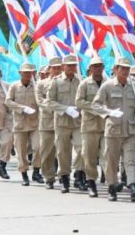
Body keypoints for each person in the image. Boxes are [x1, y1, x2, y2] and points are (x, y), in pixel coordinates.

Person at [92, 57, 135, 202]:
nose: (125, 71)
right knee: (111, 160)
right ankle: (112, 186)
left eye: (127, 68)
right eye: (122, 68)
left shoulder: (134, 87)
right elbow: (95, 105)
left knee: (130, 160)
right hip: (113, 130)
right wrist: (108, 112)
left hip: (130, 130)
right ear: (115, 69)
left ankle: (134, 186)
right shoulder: (107, 86)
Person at [47, 55, 83, 193]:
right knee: (63, 152)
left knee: (82, 149)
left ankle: (79, 174)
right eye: (69, 65)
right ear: (63, 67)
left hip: (77, 122)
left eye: (74, 65)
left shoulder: (79, 81)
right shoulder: (55, 82)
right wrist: (65, 109)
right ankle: (65, 178)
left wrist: (78, 110)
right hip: (62, 122)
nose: (72, 68)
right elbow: (49, 102)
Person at [6, 63, 43, 186]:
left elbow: (41, 101)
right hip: (20, 123)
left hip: (34, 122)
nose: (27, 74)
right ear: (20, 73)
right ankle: (24, 173)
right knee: (21, 151)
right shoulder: (14, 86)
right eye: (25, 72)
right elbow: (8, 101)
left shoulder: (37, 86)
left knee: (38, 147)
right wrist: (21, 108)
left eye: (30, 72)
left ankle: (36, 171)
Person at [75, 56, 107, 198]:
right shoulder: (84, 84)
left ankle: (111, 182)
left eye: (100, 66)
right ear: (90, 69)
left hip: (106, 125)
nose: (97, 68)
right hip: (90, 125)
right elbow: (79, 102)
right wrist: (97, 109)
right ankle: (91, 183)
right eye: (95, 66)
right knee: (89, 157)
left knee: (108, 154)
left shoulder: (109, 83)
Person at [34, 57, 61, 189]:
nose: (57, 70)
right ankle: (49, 177)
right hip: (47, 122)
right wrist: (58, 107)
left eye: (59, 67)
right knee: (46, 152)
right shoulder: (41, 84)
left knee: (63, 151)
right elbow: (40, 101)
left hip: (64, 122)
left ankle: (63, 174)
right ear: (49, 69)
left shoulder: (65, 82)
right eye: (54, 68)